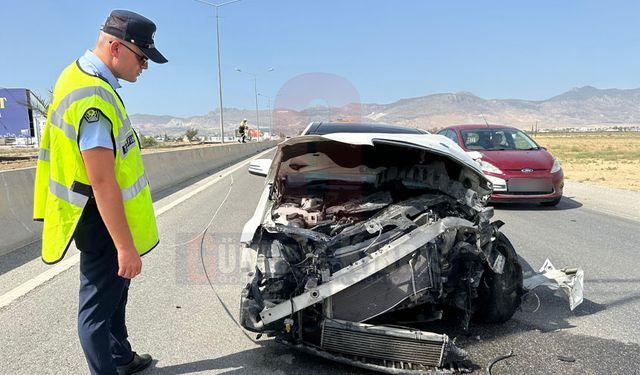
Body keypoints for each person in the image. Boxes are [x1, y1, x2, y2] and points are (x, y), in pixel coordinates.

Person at [33, 10, 167, 375]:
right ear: (115, 47)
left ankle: (121, 357)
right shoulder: (92, 97)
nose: (145, 66)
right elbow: (102, 180)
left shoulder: (78, 75)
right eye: (142, 58)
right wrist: (125, 246)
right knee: (95, 310)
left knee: (114, 295)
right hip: (99, 217)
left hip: (98, 213)